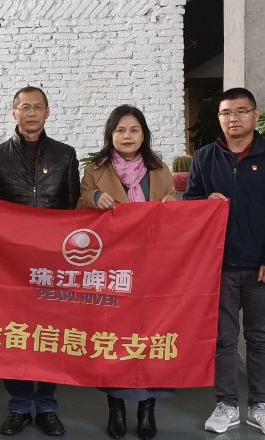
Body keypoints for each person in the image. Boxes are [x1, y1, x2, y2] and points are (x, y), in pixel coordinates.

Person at [184, 88, 265, 438]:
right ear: (219, 118)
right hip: (219, 265)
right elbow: (189, 201)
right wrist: (205, 202)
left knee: (260, 338)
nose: (234, 118)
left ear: (255, 115)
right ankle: (227, 404)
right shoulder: (205, 156)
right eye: (226, 113)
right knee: (223, 339)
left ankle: (261, 405)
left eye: (241, 111)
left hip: (262, 267)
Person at [0, 86, 80, 438]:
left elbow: (74, 211)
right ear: (14, 113)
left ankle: (48, 407)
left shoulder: (66, 155)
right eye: (25, 107)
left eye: (38, 107)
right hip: (10, 264)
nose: (31, 113)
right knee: (16, 335)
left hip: (53, 263)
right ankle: (20, 406)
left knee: (52, 336)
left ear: (47, 113)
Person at [77, 105, 176, 440]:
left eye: (134, 130)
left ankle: (147, 408)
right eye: (120, 130)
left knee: (149, 335)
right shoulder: (95, 170)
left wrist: (172, 206)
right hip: (113, 268)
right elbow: (77, 213)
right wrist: (93, 197)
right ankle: (116, 407)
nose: (127, 136)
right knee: (115, 337)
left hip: (152, 267)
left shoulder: (159, 170)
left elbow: (174, 212)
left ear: (143, 134)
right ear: (111, 135)